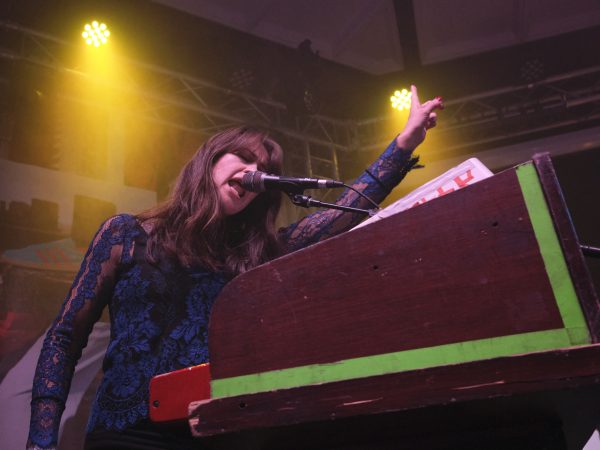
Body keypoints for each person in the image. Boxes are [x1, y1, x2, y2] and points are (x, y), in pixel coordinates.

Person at [26, 86, 443, 449]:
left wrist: (403, 145)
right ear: (210, 160)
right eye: (243, 157)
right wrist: (41, 440)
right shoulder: (125, 234)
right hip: (128, 435)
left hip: (218, 434)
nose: (254, 173)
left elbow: (339, 215)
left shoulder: (254, 256)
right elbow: (64, 338)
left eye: (265, 171)